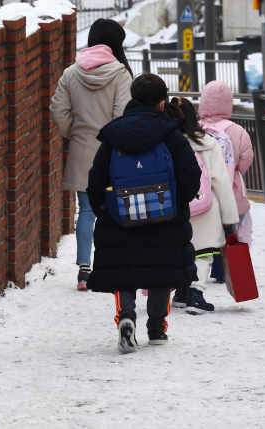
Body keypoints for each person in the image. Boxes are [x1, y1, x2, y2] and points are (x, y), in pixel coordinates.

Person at [86, 74, 201, 353]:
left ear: (132, 98)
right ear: (162, 103)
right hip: (165, 214)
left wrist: (105, 208)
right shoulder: (171, 134)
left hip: (121, 216)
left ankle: (126, 316)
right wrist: (177, 204)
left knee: (123, 270)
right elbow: (191, 175)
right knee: (162, 269)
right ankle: (157, 327)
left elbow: (96, 179)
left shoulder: (113, 135)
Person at [50, 19, 133, 291]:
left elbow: (58, 111)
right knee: (112, 211)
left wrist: (73, 132)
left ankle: (84, 270)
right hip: (112, 153)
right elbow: (122, 113)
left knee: (86, 210)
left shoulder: (71, 73)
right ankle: (108, 266)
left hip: (81, 149)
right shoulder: (121, 74)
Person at [164, 97, 239, 314]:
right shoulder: (208, 143)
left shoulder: (167, 143)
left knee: (181, 250)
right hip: (206, 207)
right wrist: (229, 217)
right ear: (194, 117)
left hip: (177, 206)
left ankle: (180, 291)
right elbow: (220, 180)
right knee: (203, 252)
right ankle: (196, 294)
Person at [197, 80, 254, 282]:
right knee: (230, 227)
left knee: (205, 227)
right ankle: (223, 271)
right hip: (230, 189)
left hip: (203, 190)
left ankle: (205, 265)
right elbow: (246, 160)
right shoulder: (237, 130)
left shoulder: (197, 127)